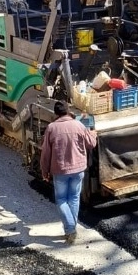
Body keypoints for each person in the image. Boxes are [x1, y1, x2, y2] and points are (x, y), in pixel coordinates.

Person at [39, 100, 97, 244]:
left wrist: (44, 171)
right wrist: (93, 133)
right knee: (74, 198)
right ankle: (72, 228)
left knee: (61, 200)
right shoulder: (79, 125)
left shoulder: (51, 128)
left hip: (60, 171)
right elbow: (91, 144)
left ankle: (70, 229)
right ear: (68, 111)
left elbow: (46, 153)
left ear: (56, 114)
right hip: (78, 170)